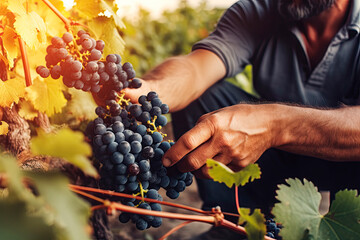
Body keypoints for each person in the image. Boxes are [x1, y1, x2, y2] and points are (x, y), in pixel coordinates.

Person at [126, 0, 360, 237]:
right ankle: (237, 225)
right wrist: (151, 90)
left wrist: (274, 124)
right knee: (204, 97)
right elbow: (197, 68)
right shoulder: (264, 10)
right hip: (273, 157)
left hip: (345, 162)